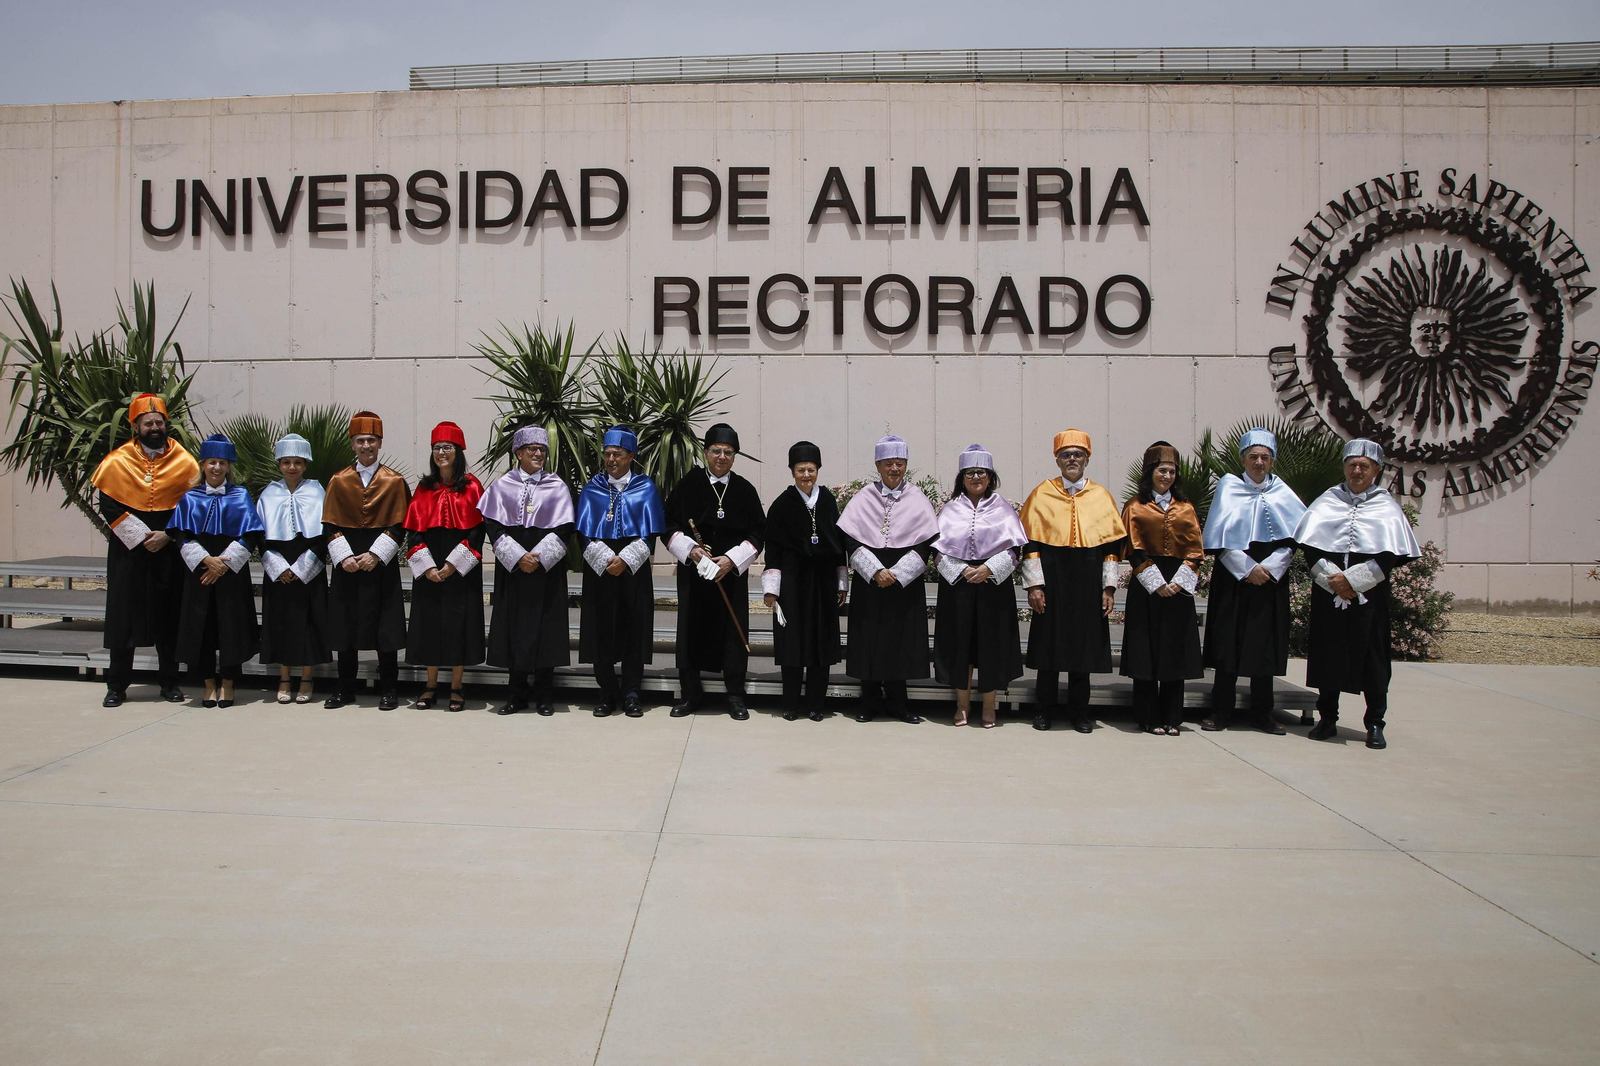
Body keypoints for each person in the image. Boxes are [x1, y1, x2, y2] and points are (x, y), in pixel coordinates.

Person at [1295, 439, 1420, 750]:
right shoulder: (1328, 500)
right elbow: (1310, 547)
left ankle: (1375, 723)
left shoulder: (1385, 506)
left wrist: (1355, 582)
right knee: (1328, 654)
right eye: (1352, 465)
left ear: (1376, 471)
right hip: (1329, 591)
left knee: (1373, 659)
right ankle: (1327, 718)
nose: (1357, 470)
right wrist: (1333, 580)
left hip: (1370, 596)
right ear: (1344, 468)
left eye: (1364, 466)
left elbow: (1390, 555)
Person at [90, 393, 199, 707]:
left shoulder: (184, 461)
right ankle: (117, 686)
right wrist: (141, 536)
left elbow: (191, 506)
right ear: (135, 425)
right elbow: (108, 505)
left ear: (166, 424)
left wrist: (167, 535)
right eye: (147, 422)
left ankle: (170, 682)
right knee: (124, 618)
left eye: (159, 422)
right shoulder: (117, 460)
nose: (154, 427)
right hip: (130, 552)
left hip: (168, 550)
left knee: (169, 617)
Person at [1200, 428, 1307, 734]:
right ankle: (1221, 710)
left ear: (1272, 460)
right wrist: (1247, 567)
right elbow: (1217, 539)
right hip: (1235, 578)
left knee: (1265, 646)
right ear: (1243, 459)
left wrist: (1270, 568)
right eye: (1253, 456)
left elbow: (1294, 539)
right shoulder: (1229, 486)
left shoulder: (1283, 492)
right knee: (1228, 644)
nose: (1258, 462)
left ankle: (1263, 713)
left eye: (1264, 457)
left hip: (1270, 579)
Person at [1018, 430, 1125, 733]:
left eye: (1078, 454)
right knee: (1049, 650)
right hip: (1052, 581)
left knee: (1084, 650)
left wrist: (1108, 588)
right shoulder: (1042, 493)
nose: (1072, 460)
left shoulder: (1100, 496)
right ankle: (1044, 710)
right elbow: (1031, 545)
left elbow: (1110, 548)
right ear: (1057, 459)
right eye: (1066, 455)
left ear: (1087, 459)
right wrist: (1035, 586)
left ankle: (1080, 713)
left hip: (1088, 582)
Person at [837, 434, 940, 724]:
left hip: (903, 583)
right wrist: (875, 571)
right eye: (888, 463)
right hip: (871, 581)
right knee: (870, 639)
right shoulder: (863, 497)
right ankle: (868, 702)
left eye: (899, 463)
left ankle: (899, 704)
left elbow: (927, 543)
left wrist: (897, 573)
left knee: (901, 641)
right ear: (878, 465)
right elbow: (849, 539)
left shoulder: (918, 499)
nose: (894, 469)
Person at [665, 423, 765, 720]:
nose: (722, 457)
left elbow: (759, 532)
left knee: (733, 633)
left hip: (729, 576)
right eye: (716, 451)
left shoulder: (745, 490)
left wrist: (731, 561)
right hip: (696, 575)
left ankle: (735, 695)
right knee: (691, 631)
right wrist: (692, 551)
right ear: (705, 452)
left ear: (735, 456)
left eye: (729, 452)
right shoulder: (688, 485)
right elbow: (669, 525)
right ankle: (691, 694)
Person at [931, 444, 1027, 728]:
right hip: (958, 586)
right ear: (962, 477)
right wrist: (963, 570)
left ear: (990, 477)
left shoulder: (1002, 507)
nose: (976, 478)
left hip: (992, 587)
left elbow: (1015, 550)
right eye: (970, 473)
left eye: (981, 473)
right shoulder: (949, 509)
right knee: (960, 644)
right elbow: (936, 550)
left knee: (991, 644)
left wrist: (988, 569)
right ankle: (962, 705)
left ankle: (988, 706)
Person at [482, 424, 575, 716]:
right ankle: (516, 694)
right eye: (532, 449)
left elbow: (565, 527)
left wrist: (540, 556)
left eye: (542, 450)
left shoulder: (556, 486)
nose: (538, 454)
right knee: (515, 628)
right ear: (518, 453)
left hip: (546, 570)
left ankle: (545, 695)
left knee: (546, 629)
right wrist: (518, 556)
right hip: (514, 570)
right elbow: (493, 526)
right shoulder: (502, 485)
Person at [166, 434, 264, 707]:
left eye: (222, 463)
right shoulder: (190, 497)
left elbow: (252, 535)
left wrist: (222, 564)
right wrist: (206, 561)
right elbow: (181, 535)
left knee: (230, 627)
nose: (217, 468)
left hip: (231, 572)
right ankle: (208, 683)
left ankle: (229, 683)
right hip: (199, 572)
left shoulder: (240, 495)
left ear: (229, 466)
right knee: (203, 627)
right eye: (212, 462)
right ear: (202, 465)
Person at [321, 411, 410, 711]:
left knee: (385, 629)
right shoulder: (338, 480)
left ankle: (389, 690)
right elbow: (330, 525)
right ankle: (344, 688)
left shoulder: (394, 481)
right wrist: (343, 556)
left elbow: (400, 525)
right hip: (347, 562)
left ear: (380, 442)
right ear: (352, 444)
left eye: (371, 440)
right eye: (360, 441)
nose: (366, 446)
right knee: (345, 629)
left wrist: (376, 554)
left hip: (379, 564)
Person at [575, 426, 665, 718]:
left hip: (633, 570)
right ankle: (606, 691)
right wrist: (605, 559)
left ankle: (631, 692)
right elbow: (583, 534)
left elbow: (650, 534)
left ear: (631, 457)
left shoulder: (645, 487)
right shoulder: (592, 488)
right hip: (600, 570)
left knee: (633, 629)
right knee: (600, 628)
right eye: (607, 453)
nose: (611, 459)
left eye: (618, 454)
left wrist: (625, 559)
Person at [1117, 442, 1204, 736]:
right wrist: (1155, 583)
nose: (1166, 476)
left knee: (1173, 650)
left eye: (1171, 471)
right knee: (1146, 650)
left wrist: (1179, 581)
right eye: (1161, 470)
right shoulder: (1135, 506)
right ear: (1150, 473)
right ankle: (1148, 716)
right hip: (1147, 582)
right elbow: (1132, 546)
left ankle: (1172, 716)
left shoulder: (1186, 507)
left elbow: (1195, 550)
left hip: (1178, 582)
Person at [761, 441, 847, 721]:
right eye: (801, 470)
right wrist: (771, 591)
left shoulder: (828, 502)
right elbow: (772, 549)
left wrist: (841, 582)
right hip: (792, 583)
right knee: (793, 643)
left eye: (811, 469)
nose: (806, 475)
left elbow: (839, 546)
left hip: (822, 582)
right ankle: (790, 704)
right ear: (792, 471)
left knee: (820, 644)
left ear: (818, 470)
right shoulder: (782, 504)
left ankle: (816, 705)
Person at [403, 421, 486, 712]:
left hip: (460, 569)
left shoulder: (473, 486)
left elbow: (476, 532)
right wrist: (427, 567)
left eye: (447, 448)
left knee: (458, 626)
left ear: (458, 451)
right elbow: (414, 533)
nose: (442, 453)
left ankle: (456, 686)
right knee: (430, 624)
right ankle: (430, 685)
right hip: (429, 568)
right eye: (437, 448)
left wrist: (452, 566)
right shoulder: (423, 488)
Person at [256, 433, 331, 704]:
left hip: (309, 566)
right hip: (278, 568)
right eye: (286, 462)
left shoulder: (317, 491)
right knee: (281, 622)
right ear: (278, 464)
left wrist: (301, 567)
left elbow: (324, 533)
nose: (291, 467)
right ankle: (285, 677)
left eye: (297, 462)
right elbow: (260, 536)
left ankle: (307, 678)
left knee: (310, 622)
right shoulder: (268, 493)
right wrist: (278, 567)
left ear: (306, 464)